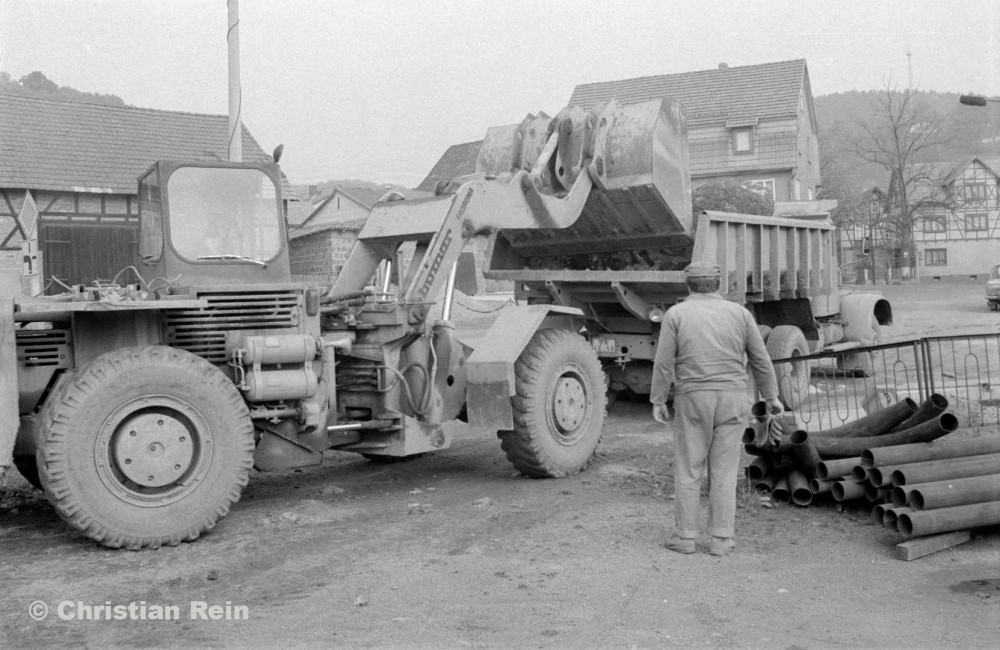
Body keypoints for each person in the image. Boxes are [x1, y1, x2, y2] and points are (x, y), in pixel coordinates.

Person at [650, 262, 783, 556]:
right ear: (718, 284)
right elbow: (760, 359)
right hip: (733, 399)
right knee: (724, 471)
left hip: (693, 398)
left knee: (689, 467)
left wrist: (658, 399)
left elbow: (663, 362)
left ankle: (685, 538)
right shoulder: (740, 314)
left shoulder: (676, 315)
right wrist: (771, 396)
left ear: (689, 285)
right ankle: (722, 539)